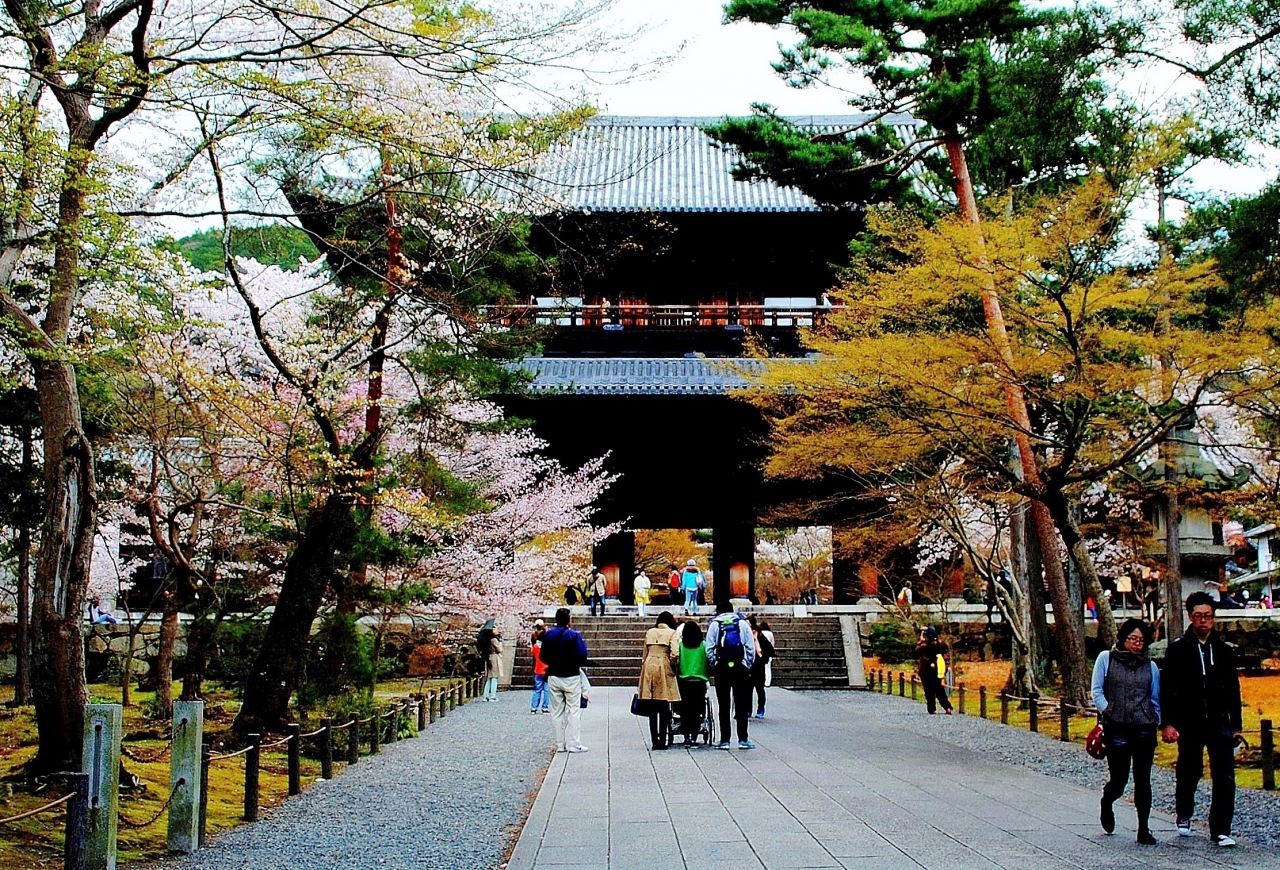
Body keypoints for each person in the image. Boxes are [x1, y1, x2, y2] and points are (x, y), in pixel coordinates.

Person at [1161, 591, 1243, 847]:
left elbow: (1233, 689)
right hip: (1189, 719)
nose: (1203, 621)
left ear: (1214, 618)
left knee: (1225, 775)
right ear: (1190, 617)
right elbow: (1167, 688)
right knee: (1189, 770)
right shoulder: (1178, 649)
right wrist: (1168, 722)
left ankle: (1221, 828)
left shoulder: (1223, 650)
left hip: (1218, 719)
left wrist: (1236, 725)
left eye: (1207, 615)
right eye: (1198, 616)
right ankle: (1184, 811)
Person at [1092, 618, 1161, 845]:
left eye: (1141, 640)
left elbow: (1155, 697)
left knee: (1143, 779)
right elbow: (1097, 690)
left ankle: (1143, 827)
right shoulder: (1106, 659)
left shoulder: (1150, 666)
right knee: (1119, 778)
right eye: (1132, 639)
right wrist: (1108, 711)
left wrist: (1157, 720)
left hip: (1144, 727)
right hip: (1117, 726)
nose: (1136, 644)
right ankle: (1107, 801)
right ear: (1123, 638)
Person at [706, 601, 757, 749]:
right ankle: (743, 739)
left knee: (723, 705)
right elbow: (750, 647)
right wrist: (747, 664)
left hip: (722, 667)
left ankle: (725, 740)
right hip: (740, 667)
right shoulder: (742, 624)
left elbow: (709, 649)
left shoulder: (715, 625)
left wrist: (715, 664)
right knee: (741, 704)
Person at [541, 607, 590, 753]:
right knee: (573, 710)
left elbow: (543, 656)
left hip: (553, 675)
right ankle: (574, 743)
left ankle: (560, 744)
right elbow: (582, 655)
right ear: (569, 619)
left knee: (556, 712)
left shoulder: (548, 635)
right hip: (571, 676)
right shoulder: (573, 635)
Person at [638, 612, 681, 750]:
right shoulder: (672, 633)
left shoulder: (650, 632)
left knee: (652, 707)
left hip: (649, 664)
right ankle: (662, 739)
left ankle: (654, 740)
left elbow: (644, 653)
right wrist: (672, 665)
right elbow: (675, 653)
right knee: (663, 704)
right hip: (663, 664)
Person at [674, 619, 711, 745]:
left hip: (684, 681)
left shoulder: (680, 646)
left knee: (685, 709)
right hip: (699, 681)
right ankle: (694, 735)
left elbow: (676, 661)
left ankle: (686, 736)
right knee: (697, 709)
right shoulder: (704, 645)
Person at [915, 626, 953, 714]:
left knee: (929, 690)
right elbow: (945, 652)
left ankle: (932, 709)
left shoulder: (924, 646)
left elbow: (917, 651)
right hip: (937, 669)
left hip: (926, 670)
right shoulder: (940, 644)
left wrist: (921, 640)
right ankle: (947, 707)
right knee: (939, 689)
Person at [748, 615, 775, 719]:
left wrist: (763, 657)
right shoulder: (747, 636)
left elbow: (770, 650)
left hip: (758, 665)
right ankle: (748, 709)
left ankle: (760, 709)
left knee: (759, 689)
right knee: (748, 690)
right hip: (749, 665)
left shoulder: (760, 637)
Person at [477, 620, 503, 702]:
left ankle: (486, 695)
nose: (497, 630)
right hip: (494, 658)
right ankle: (493, 696)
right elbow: (500, 649)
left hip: (489, 658)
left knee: (489, 678)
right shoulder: (493, 640)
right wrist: (500, 642)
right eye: (495, 628)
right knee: (494, 677)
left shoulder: (487, 640)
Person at [530, 620, 550, 714]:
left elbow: (533, 653)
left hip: (537, 669)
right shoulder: (549, 648)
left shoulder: (535, 647)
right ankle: (545, 707)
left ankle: (533, 707)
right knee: (546, 690)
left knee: (537, 690)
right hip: (547, 670)